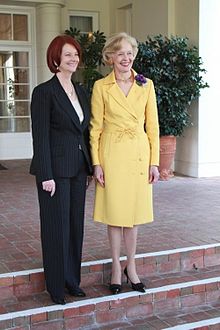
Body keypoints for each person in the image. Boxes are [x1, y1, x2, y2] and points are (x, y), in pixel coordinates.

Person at [90, 32, 160, 294]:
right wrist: (96, 163)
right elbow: (95, 128)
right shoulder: (101, 87)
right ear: (110, 58)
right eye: (120, 53)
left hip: (139, 155)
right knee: (116, 214)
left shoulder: (146, 85)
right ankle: (116, 268)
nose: (126, 58)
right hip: (112, 154)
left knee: (133, 216)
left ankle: (132, 266)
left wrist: (155, 162)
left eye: (130, 53)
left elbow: (152, 126)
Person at [30, 35, 92, 305]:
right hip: (54, 172)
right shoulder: (44, 92)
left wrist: (90, 166)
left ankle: (72, 281)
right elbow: (40, 136)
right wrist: (46, 175)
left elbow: (84, 131)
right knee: (56, 228)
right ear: (56, 58)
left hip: (79, 169)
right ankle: (56, 287)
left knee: (75, 227)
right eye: (68, 55)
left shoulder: (80, 91)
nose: (74, 59)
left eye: (76, 54)